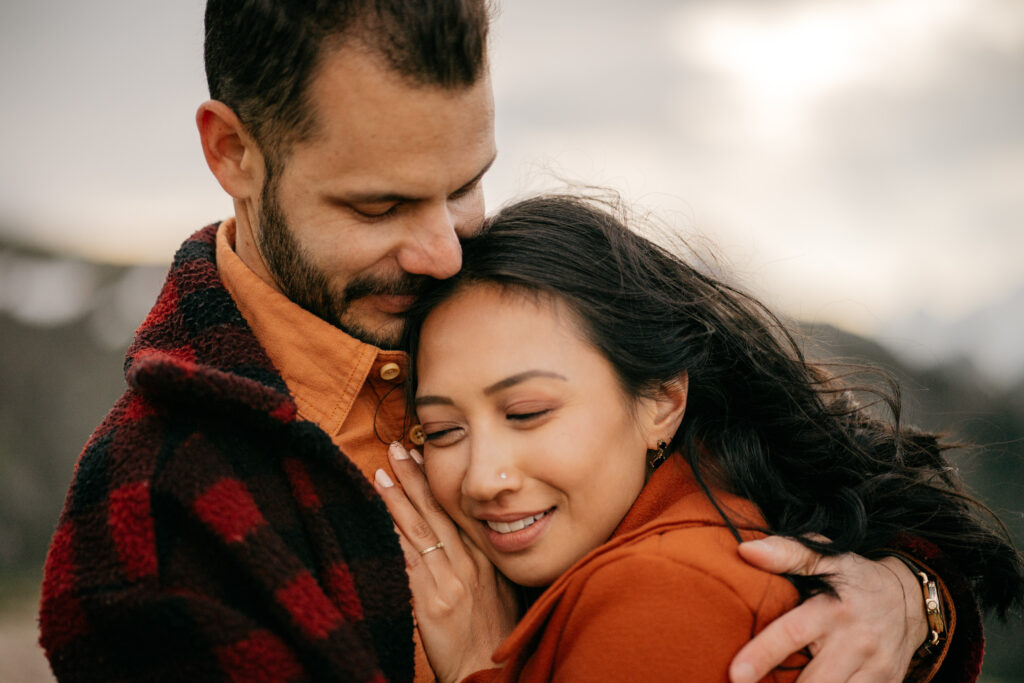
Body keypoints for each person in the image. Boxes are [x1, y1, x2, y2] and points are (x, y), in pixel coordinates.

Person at [36, 2, 991, 681]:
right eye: (380, 204)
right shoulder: (157, 515)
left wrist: (907, 600)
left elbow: (830, 481)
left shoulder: (535, 318)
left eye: (463, 186)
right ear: (232, 153)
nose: (441, 248)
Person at [376, 194, 1024, 682]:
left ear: (662, 400)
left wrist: (472, 668)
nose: (484, 475)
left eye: (527, 412)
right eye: (442, 429)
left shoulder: (659, 593)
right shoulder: (713, 517)